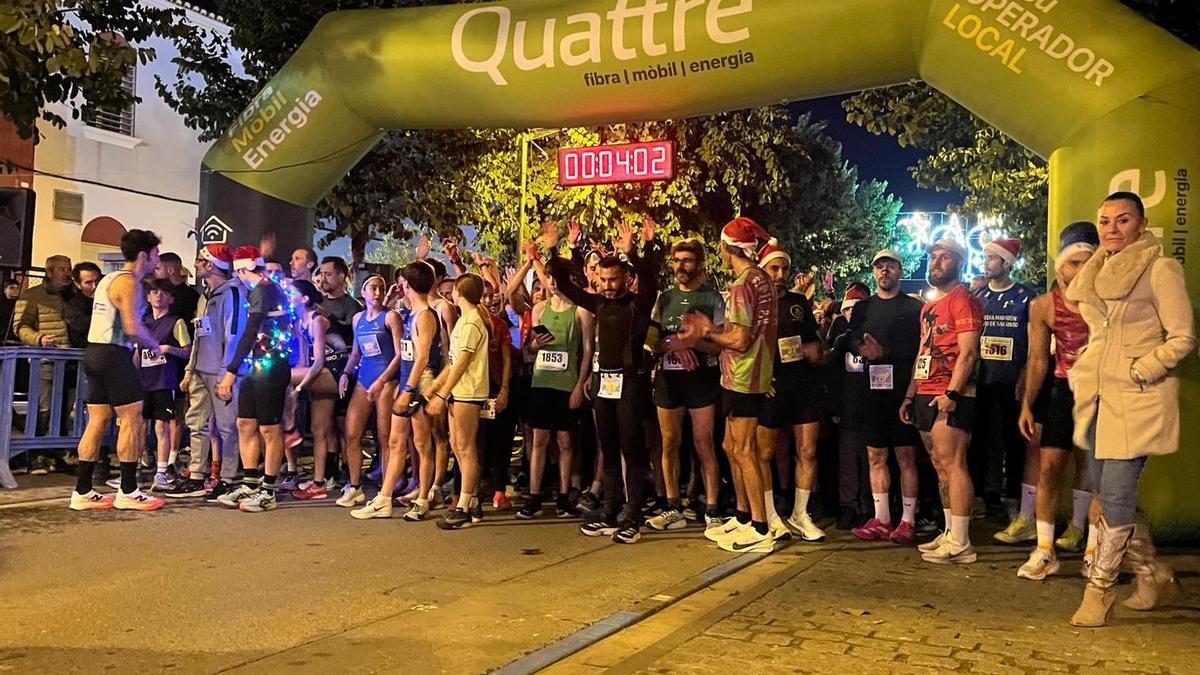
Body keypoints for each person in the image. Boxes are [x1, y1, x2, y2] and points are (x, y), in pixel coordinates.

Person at [1069, 192, 1196, 627]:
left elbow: (1182, 336)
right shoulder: (1096, 272)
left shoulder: (1160, 268)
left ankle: (1099, 590)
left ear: (1141, 224)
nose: (1111, 229)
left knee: (1117, 496)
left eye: (1123, 220)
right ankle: (1151, 572)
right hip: (1098, 399)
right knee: (1107, 496)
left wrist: (1142, 370)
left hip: (1138, 399)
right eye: (1105, 221)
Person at [547, 220, 661, 544]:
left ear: (626, 279)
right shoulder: (598, 303)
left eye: (614, 280)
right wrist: (562, 248)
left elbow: (650, 278)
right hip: (602, 385)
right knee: (608, 449)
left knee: (631, 449)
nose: (609, 285)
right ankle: (610, 512)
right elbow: (566, 286)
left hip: (631, 384)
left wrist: (637, 251)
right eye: (604, 280)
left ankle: (634, 516)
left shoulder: (638, 305)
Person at [680, 217, 778, 554]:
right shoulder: (761, 278)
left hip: (743, 376)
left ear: (726, 248)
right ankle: (743, 515)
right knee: (730, 446)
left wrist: (707, 331)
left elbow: (738, 338)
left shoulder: (741, 285)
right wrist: (706, 335)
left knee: (744, 450)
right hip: (751, 373)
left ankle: (761, 526)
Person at [1015, 222, 1099, 581]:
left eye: (1087, 263)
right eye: (1073, 263)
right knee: (1049, 466)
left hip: (1102, 390)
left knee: (1097, 472)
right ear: (1059, 267)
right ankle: (1045, 549)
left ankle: (1095, 550)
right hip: (1063, 389)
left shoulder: (1107, 299)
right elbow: (1038, 359)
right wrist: (1028, 404)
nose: (1079, 271)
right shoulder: (1044, 306)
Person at [70, 229, 165, 512]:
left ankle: (83, 491)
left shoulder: (107, 278)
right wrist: (154, 345)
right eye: (155, 255)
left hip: (94, 352)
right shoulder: (129, 282)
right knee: (132, 418)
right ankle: (128, 490)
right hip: (113, 354)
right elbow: (132, 327)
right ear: (143, 256)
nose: (156, 261)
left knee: (97, 420)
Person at [901, 237, 982, 564]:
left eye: (944, 258)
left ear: (959, 263)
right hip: (926, 391)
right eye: (933, 257)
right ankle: (950, 532)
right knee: (939, 464)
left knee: (954, 463)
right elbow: (923, 352)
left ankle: (962, 541)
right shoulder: (929, 307)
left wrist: (953, 392)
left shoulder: (963, 300)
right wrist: (910, 395)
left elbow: (969, 351)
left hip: (950, 393)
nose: (935, 263)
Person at [352, 261, 444, 520]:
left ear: (408, 284)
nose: (399, 286)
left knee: (422, 443)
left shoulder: (425, 316)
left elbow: (423, 357)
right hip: (405, 383)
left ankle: (423, 498)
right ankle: (384, 498)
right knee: (394, 441)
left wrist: (408, 390)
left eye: (402, 282)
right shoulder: (409, 313)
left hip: (419, 386)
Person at [646, 239, 724, 533]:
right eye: (677, 260)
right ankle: (672, 506)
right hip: (669, 378)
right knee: (669, 442)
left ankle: (713, 510)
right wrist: (673, 345)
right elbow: (652, 341)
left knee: (704, 443)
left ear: (699, 263)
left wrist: (693, 342)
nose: (680, 266)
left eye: (687, 260)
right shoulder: (664, 299)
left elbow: (722, 347)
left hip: (702, 380)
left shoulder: (712, 299)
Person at [851, 250, 925, 545]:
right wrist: (862, 348)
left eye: (890, 266)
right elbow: (853, 338)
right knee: (875, 456)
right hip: (871, 393)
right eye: (880, 267)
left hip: (902, 393)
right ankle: (881, 518)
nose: (884, 271)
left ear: (900, 271)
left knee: (906, 457)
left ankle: (908, 520)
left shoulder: (913, 307)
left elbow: (920, 349)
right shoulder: (862, 308)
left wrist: (886, 353)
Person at [215, 246, 296, 513]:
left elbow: (250, 331)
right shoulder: (262, 287)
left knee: (270, 429)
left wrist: (230, 370)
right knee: (245, 423)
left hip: (271, 367)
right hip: (257, 365)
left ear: (241, 270)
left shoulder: (263, 289)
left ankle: (269, 490)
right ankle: (250, 483)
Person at [755, 240, 825, 542]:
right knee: (765, 453)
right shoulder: (753, 303)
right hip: (770, 387)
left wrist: (815, 350)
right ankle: (770, 515)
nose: (780, 273)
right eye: (774, 267)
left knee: (808, 450)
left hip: (803, 386)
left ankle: (800, 513)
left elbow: (814, 342)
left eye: (784, 267)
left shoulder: (799, 302)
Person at [516, 253, 594, 519]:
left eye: (554, 277)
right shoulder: (539, 309)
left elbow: (587, 351)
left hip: (567, 382)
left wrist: (579, 385)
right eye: (546, 277)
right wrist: (535, 345)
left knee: (565, 441)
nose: (550, 282)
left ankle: (563, 496)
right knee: (539, 440)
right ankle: (534, 496)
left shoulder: (580, 311)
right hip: (542, 381)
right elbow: (529, 349)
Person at [970, 238, 1037, 538]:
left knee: (1014, 442)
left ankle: (1015, 501)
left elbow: (1035, 344)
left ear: (1007, 263)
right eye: (985, 257)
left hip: (1013, 382)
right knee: (981, 440)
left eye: (992, 258)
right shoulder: (979, 296)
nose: (986, 262)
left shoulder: (1026, 297)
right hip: (983, 380)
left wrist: (1026, 373)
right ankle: (984, 497)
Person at [167, 244, 243, 501]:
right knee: (196, 423)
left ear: (210, 265)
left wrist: (227, 372)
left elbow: (233, 336)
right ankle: (197, 474)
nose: (196, 264)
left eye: (200, 260)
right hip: (200, 369)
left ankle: (229, 477)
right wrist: (190, 369)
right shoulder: (207, 295)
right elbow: (201, 333)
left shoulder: (232, 293)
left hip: (219, 371)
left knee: (226, 426)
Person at [425, 274, 490, 530]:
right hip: (458, 391)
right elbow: (452, 361)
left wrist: (442, 394)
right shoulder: (465, 321)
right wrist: (437, 385)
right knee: (456, 444)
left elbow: (463, 362)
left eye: (453, 290)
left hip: (469, 391)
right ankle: (471, 499)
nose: (450, 293)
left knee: (465, 447)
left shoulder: (473, 322)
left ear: (460, 293)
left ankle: (463, 505)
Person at [335, 275, 404, 508]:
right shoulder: (358, 319)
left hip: (386, 381)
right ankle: (355, 487)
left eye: (381, 288)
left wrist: (383, 380)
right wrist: (345, 373)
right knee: (352, 432)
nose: (377, 293)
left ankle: (387, 488)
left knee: (384, 436)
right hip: (364, 379)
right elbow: (356, 353)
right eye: (373, 288)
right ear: (363, 292)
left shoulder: (391, 317)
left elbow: (399, 354)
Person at [139, 279, 192, 492]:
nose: (158, 296)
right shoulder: (142, 322)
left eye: (163, 292)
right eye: (154, 292)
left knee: (162, 427)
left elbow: (188, 351)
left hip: (164, 380)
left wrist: (170, 349)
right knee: (138, 426)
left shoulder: (176, 322)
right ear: (148, 296)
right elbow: (137, 350)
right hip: (143, 379)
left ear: (171, 298)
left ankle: (161, 472)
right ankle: (133, 470)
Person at [155, 252, 200, 327]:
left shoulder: (190, 296)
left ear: (170, 271)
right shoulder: (157, 292)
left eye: (158, 269)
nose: (155, 272)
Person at [63, 262, 102, 347]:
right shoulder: (72, 308)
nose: (94, 286)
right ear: (78, 284)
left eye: (97, 281)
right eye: (88, 282)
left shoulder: (110, 301)